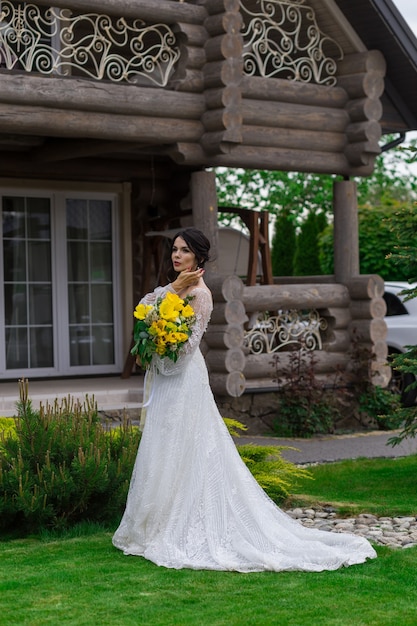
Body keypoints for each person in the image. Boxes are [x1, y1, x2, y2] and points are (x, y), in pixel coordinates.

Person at [112, 227, 376, 572]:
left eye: (184, 251)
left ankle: (184, 523)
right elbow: (144, 308)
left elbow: (186, 349)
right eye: (174, 250)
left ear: (198, 257)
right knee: (163, 445)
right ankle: (153, 523)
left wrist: (161, 345)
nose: (177, 256)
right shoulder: (175, 288)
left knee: (186, 446)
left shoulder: (201, 296)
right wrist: (170, 295)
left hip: (183, 379)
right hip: (166, 380)